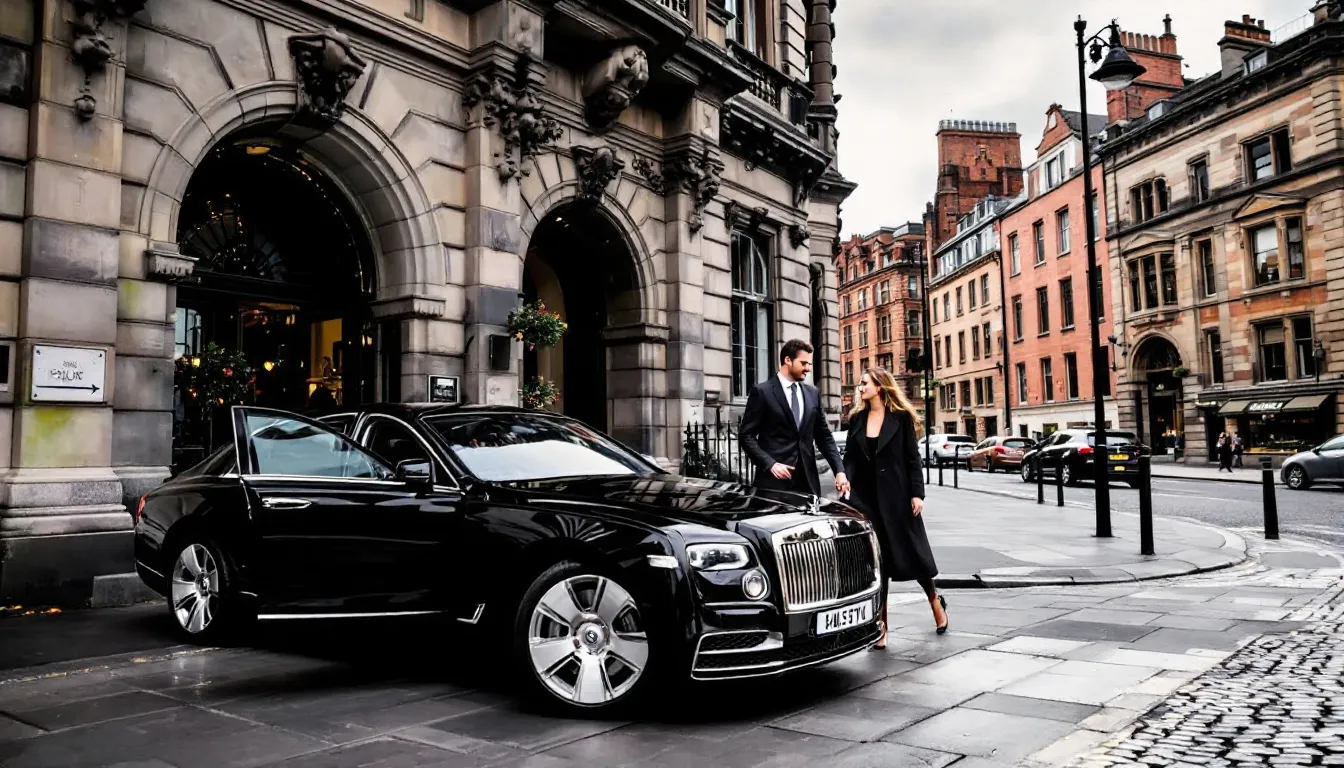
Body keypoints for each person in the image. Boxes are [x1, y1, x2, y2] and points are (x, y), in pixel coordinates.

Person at [844, 367, 946, 647]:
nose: (860, 387)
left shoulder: (900, 419)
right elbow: (850, 459)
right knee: (880, 563)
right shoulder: (857, 419)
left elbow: (913, 458)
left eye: (864, 383)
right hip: (867, 500)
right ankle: (882, 626)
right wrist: (846, 484)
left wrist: (917, 493)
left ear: (879, 386)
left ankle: (935, 601)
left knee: (914, 555)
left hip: (898, 497)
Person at [739, 339, 849, 498]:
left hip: (807, 483)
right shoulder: (763, 392)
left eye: (810, 364)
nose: (808, 369)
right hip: (773, 485)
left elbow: (824, 436)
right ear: (787, 360)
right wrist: (770, 464)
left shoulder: (813, 394)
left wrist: (839, 471)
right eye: (804, 363)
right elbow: (746, 435)